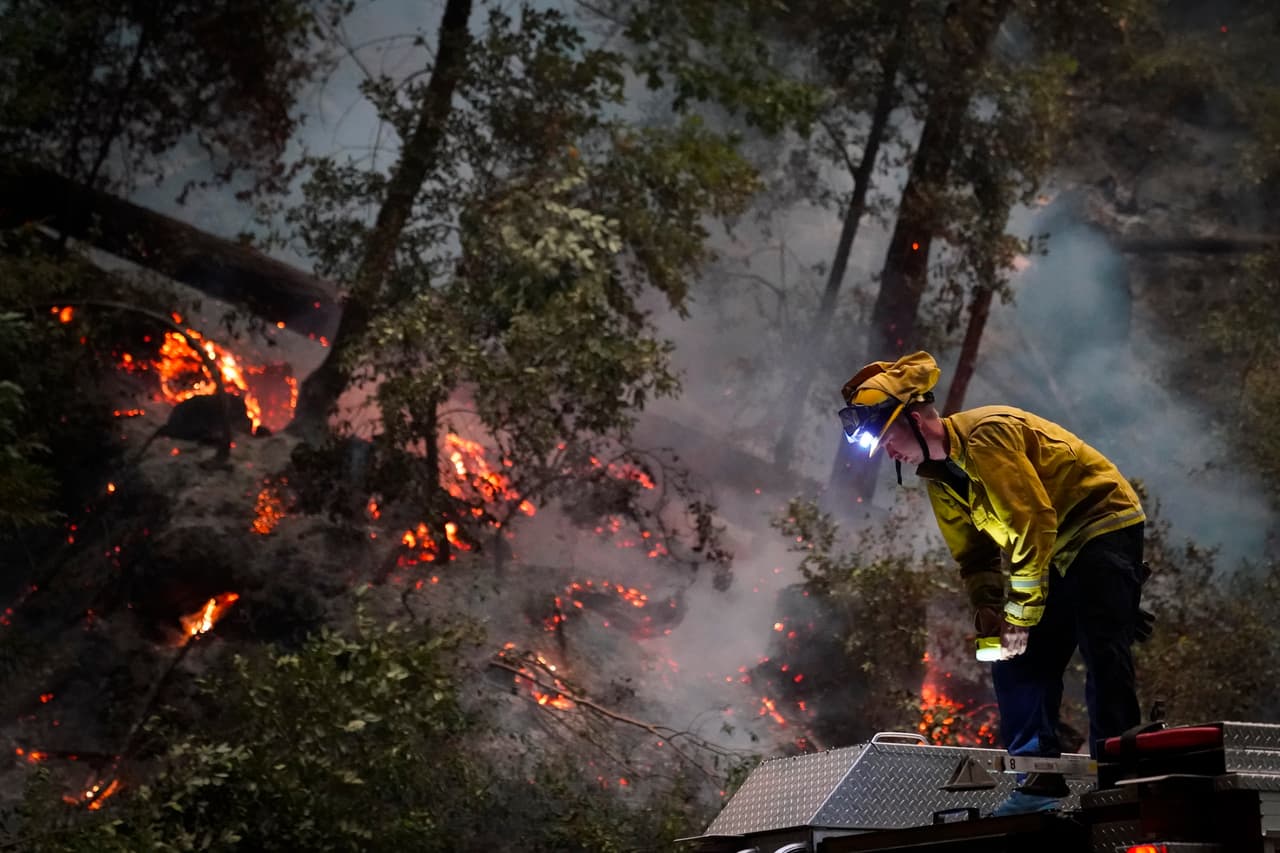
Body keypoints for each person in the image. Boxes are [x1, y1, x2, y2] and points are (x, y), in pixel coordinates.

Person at [838, 351, 1149, 816]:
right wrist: (990, 614)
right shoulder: (940, 479)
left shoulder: (987, 436)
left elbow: (1033, 523)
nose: (888, 452)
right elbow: (975, 554)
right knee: (1013, 659)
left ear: (919, 421)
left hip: (1099, 527)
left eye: (888, 438)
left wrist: (1020, 614)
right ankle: (1037, 781)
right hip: (1050, 551)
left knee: (1101, 645)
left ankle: (1120, 777)